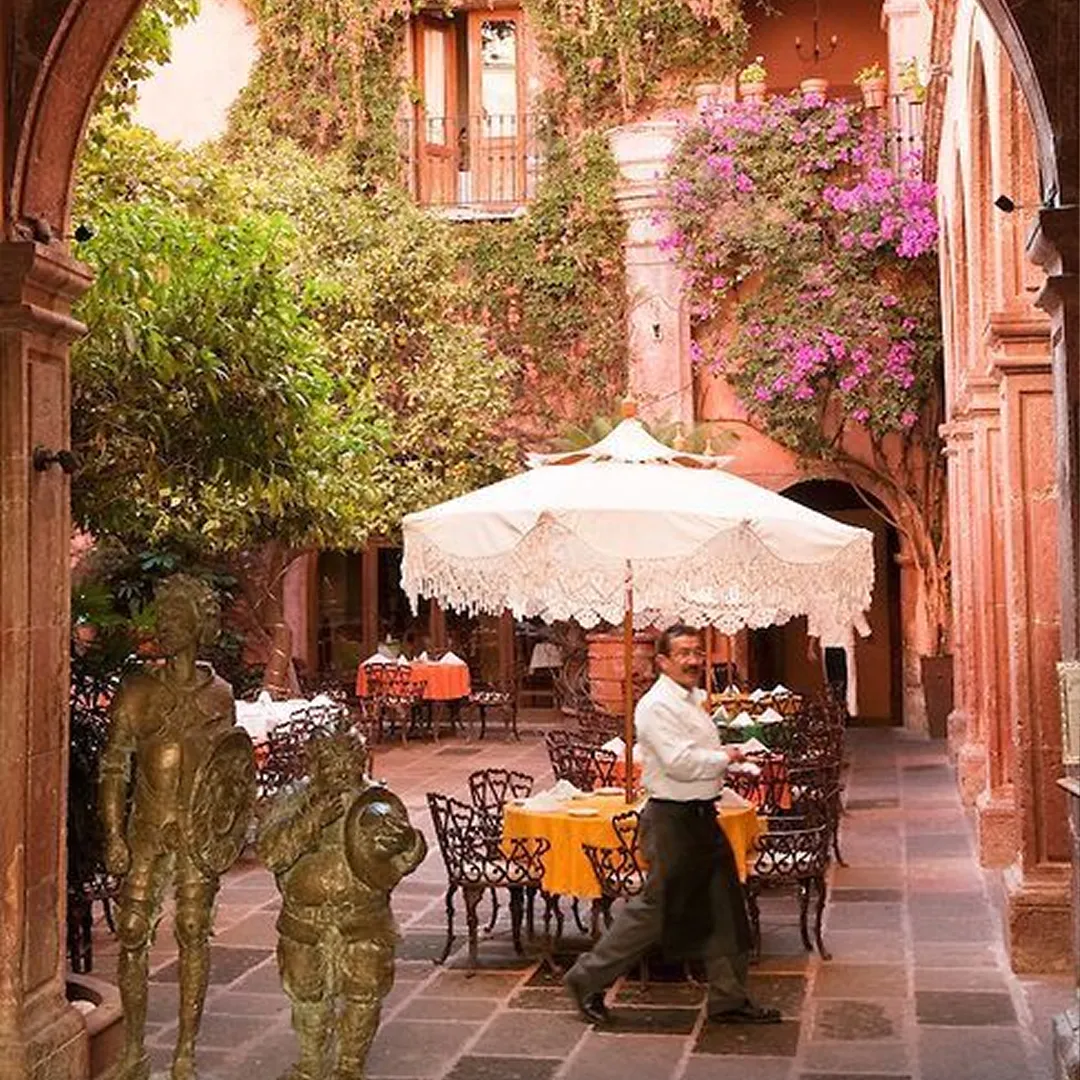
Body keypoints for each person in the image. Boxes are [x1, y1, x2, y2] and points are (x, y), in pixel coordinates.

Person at [563, 624, 781, 1026]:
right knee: (655, 911)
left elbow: (696, 756)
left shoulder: (689, 700)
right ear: (662, 661)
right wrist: (727, 757)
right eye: (683, 653)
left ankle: (729, 999)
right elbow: (680, 763)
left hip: (701, 816)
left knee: (726, 906)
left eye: (697, 652)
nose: (693, 660)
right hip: (671, 821)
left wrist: (723, 764)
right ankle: (586, 977)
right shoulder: (655, 706)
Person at [100, 574, 256, 1080]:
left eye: (175, 617)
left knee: (193, 931)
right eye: (162, 616)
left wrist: (219, 833)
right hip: (146, 826)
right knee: (130, 932)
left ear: (198, 625)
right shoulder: (137, 691)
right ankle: (134, 1050)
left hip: (195, 835)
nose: (165, 626)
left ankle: (185, 1050)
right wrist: (113, 834)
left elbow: (227, 777)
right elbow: (115, 765)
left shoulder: (221, 694)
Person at [257, 731, 427, 1080]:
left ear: (359, 763)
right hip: (305, 918)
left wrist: (408, 843)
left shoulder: (374, 803)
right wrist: (311, 820)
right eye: (330, 765)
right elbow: (271, 853)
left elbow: (404, 857)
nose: (339, 773)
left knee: (364, 993)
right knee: (307, 993)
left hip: (364, 918)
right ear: (315, 764)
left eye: (347, 765)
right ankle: (311, 1063)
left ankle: (350, 1065)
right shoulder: (293, 798)